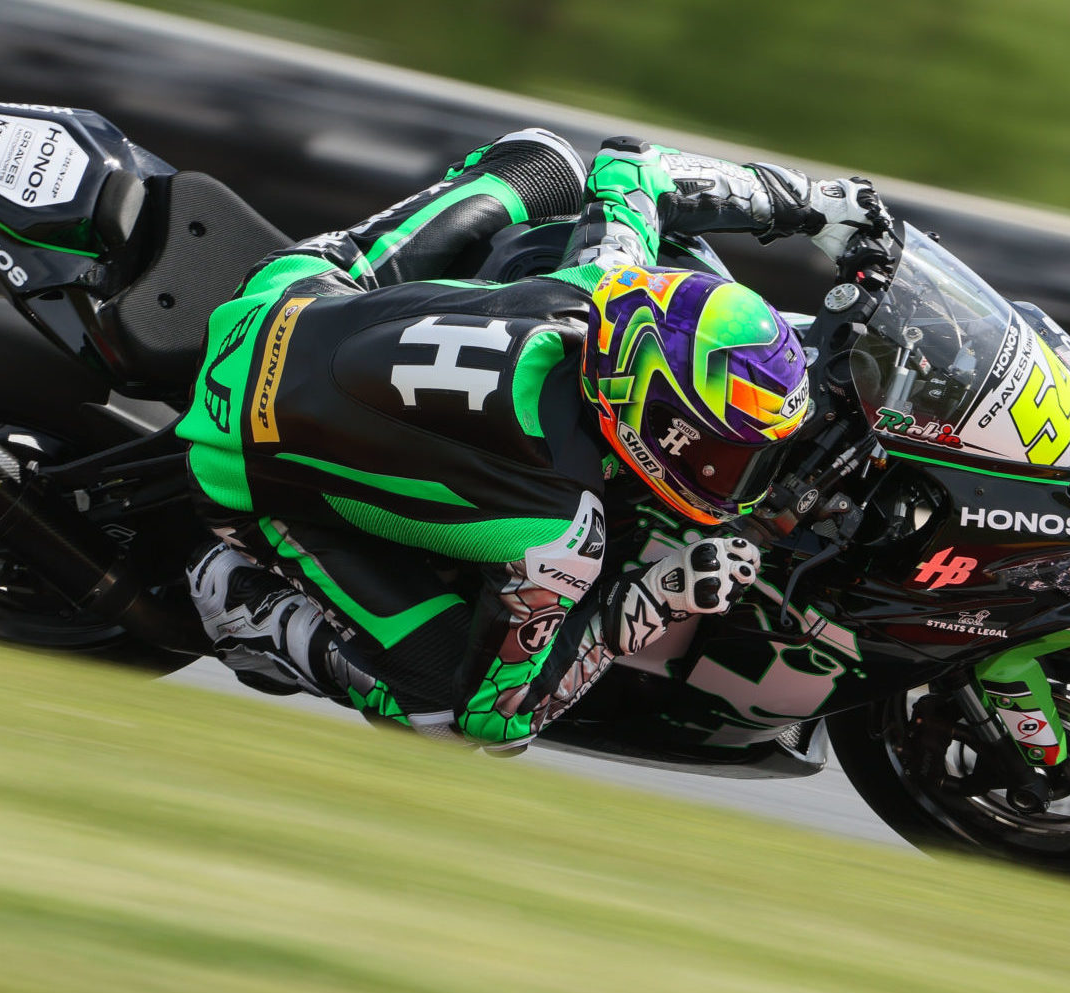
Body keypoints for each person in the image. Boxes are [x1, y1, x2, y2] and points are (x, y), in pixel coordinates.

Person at [174, 127, 890, 751]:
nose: (741, 475)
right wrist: (649, 601)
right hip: (233, 461)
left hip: (285, 293)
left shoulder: (605, 283)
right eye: (725, 452)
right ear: (649, 414)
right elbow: (503, 717)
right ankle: (247, 607)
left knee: (547, 163)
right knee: (440, 716)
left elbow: (633, 167)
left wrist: (806, 201)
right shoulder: (559, 537)